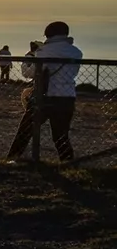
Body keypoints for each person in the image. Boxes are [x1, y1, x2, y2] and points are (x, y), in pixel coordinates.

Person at [8, 21, 82, 161]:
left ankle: (12, 158)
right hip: (67, 96)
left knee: (25, 130)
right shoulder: (77, 52)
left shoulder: (43, 52)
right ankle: (68, 163)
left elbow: (29, 73)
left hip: (44, 96)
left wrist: (30, 55)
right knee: (61, 135)